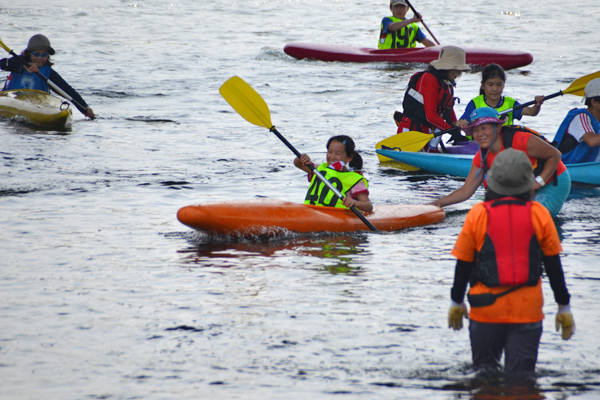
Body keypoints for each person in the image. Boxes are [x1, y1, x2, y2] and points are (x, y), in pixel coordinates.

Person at [447, 148, 574, 375]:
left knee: (483, 376)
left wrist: (456, 301)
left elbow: (463, 264)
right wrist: (564, 306)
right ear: (528, 181)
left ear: (493, 181)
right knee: (522, 380)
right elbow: (554, 266)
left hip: (485, 310)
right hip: (528, 310)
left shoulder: (477, 214)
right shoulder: (540, 214)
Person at [430, 107, 571, 217]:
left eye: (484, 128)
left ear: (497, 128)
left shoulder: (521, 140)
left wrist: (537, 184)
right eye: (475, 130)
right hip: (525, 184)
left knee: (528, 220)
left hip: (554, 179)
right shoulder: (482, 156)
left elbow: (555, 155)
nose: (480, 134)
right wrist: (437, 203)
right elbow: (466, 191)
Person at [0, 34, 94, 118]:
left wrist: (84, 107)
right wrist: (23, 66)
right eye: (36, 54)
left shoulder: (48, 72)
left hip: (37, 103)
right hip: (12, 98)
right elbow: (2, 64)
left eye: (44, 54)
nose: (40, 58)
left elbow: (66, 90)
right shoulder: (19, 61)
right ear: (29, 53)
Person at [396, 45, 471, 151]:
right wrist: (451, 130)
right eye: (455, 69)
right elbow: (430, 116)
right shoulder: (429, 79)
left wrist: (456, 128)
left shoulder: (447, 83)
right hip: (412, 131)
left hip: (429, 131)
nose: (457, 73)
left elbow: (448, 109)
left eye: (459, 70)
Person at [294, 135, 373, 212]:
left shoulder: (355, 180)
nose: (332, 157)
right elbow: (298, 164)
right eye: (330, 152)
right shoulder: (319, 169)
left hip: (337, 217)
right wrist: (302, 158)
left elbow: (368, 206)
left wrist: (355, 203)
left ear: (349, 158)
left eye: (338, 154)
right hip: (311, 211)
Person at [456, 64, 545, 130]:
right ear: (483, 85)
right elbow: (459, 123)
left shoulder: (510, 103)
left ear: (503, 85)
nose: (495, 89)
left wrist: (537, 105)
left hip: (504, 147)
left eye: (499, 85)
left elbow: (531, 112)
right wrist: (461, 124)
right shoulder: (475, 104)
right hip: (477, 146)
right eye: (490, 85)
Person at [552, 78, 600, 164]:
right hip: (567, 168)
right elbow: (592, 141)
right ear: (594, 102)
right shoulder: (581, 117)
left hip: (590, 167)